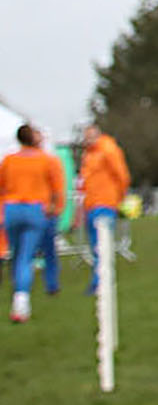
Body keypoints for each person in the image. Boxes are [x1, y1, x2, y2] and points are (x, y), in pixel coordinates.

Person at [4, 123, 68, 321]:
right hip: (35, 209)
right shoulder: (47, 160)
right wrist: (55, 208)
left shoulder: (9, 160)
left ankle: (18, 292)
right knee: (26, 256)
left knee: (16, 254)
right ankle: (21, 300)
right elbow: (58, 188)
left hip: (12, 209)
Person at [76, 123, 132, 295]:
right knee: (95, 244)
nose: (87, 140)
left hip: (105, 202)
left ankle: (101, 281)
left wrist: (119, 196)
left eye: (90, 136)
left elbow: (121, 175)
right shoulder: (88, 154)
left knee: (101, 243)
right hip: (91, 203)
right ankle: (99, 279)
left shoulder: (108, 150)